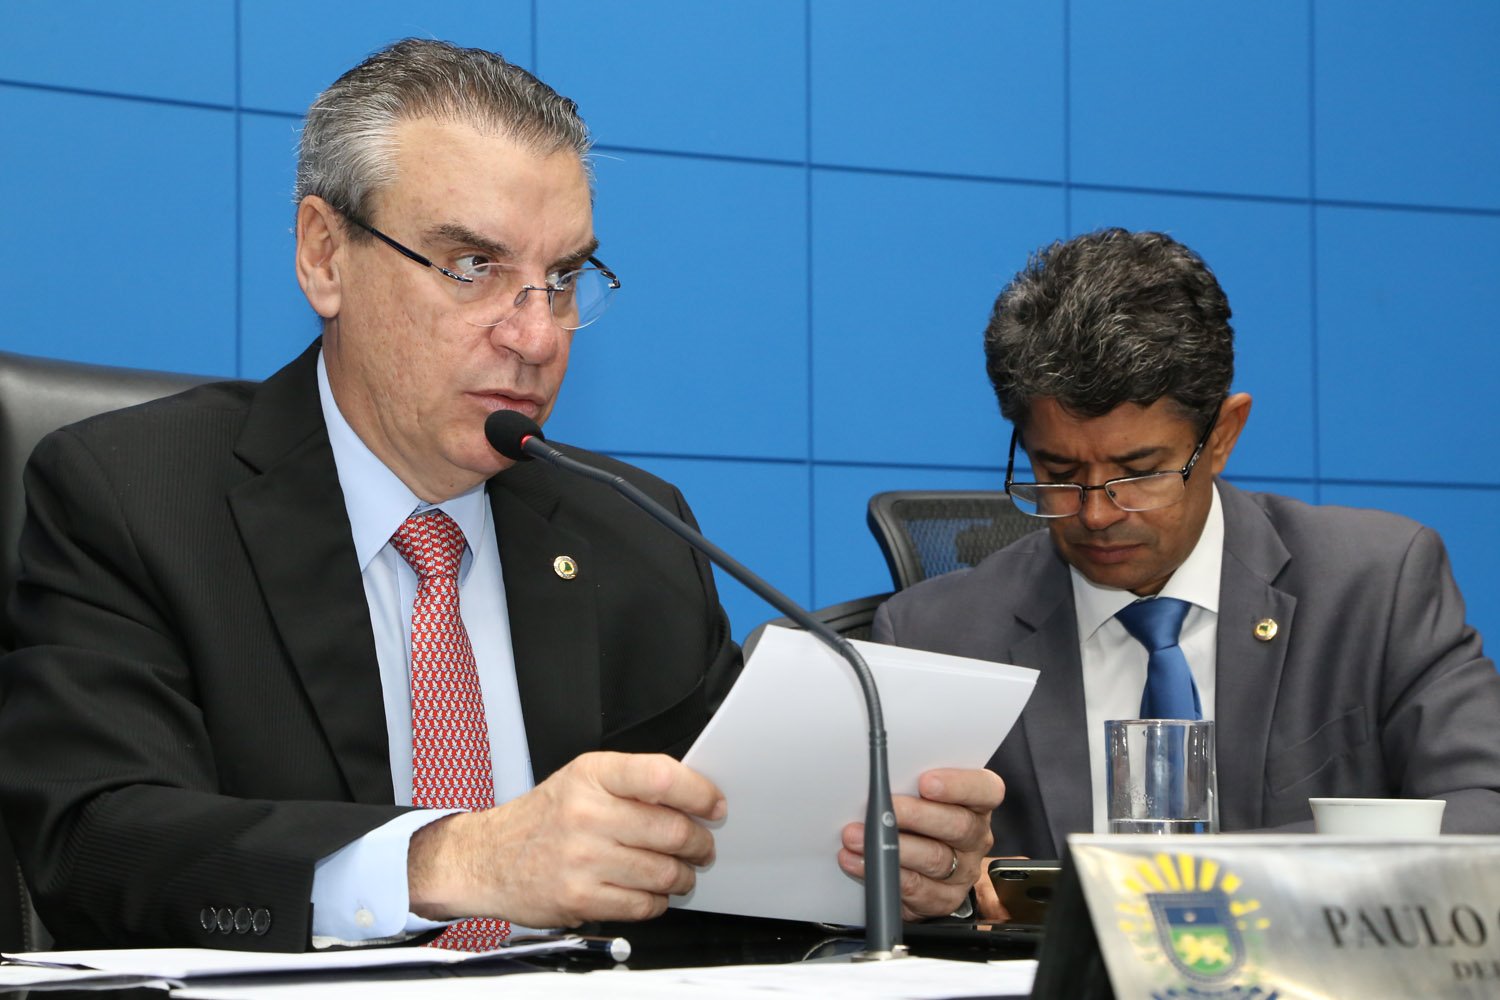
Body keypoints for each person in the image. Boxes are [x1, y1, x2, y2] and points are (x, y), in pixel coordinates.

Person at [0, 39, 1001, 951]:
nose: (535, 334)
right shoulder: (137, 497)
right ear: (324, 255)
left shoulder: (632, 529)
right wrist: (451, 860)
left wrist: (863, 871)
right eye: (472, 267)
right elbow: (94, 839)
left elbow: (709, 880)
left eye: (561, 278)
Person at [873, 228, 1500, 910]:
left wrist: (1180, 881)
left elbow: (1484, 810)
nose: (1097, 514)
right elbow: (883, 885)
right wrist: (937, 889)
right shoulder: (935, 636)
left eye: (1139, 472)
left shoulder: (1375, 584)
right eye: (1058, 472)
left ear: (1223, 435)